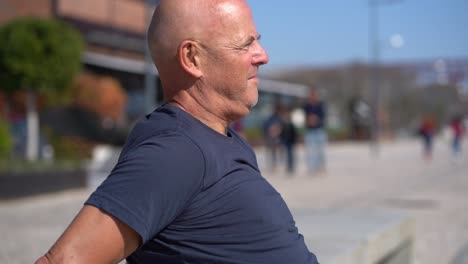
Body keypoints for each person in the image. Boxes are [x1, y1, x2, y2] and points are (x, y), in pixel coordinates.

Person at [35, 0, 319, 263]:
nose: (263, 56)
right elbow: (64, 259)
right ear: (192, 58)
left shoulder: (216, 138)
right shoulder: (175, 151)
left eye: (258, 41)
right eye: (245, 45)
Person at [303, 88, 327, 175]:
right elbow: (305, 117)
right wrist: (309, 120)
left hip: (319, 130)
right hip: (310, 131)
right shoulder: (306, 106)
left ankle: (320, 167)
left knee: (320, 151)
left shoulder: (321, 105)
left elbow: (323, 117)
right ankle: (311, 168)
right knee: (310, 151)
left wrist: (316, 119)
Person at [262, 103, 283, 171]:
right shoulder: (273, 118)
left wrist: (277, 131)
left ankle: (274, 165)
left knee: (274, 152)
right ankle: (272, 165)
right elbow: (265, 127)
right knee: (271, 152)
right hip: (271, 137)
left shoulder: (277, 118)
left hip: (275, 137)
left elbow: (281, 128)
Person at [279, 106, 298, 174]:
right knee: (285, 155)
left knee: (290, 155)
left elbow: (294, 134)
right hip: (285, 142)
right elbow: (281, 134)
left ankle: (291, 167)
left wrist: (295, 141)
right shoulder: (283, 124)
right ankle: (287, 166)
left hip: (290, 142)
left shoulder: (291, 124)